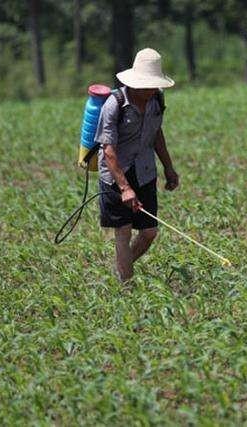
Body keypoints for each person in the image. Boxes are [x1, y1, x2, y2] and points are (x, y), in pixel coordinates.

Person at [94, 48, 179, 282]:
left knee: (149, 231)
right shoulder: (114, 105)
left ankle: (121, 270)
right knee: (123, 232)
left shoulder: (156, 100)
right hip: (115, 176)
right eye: (148, 85)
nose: (152, 89)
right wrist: (125, 188)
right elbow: (108, 150)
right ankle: (127, 289)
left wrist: (168, 168)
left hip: (144, 172)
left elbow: (156, 134)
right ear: (136, 83)